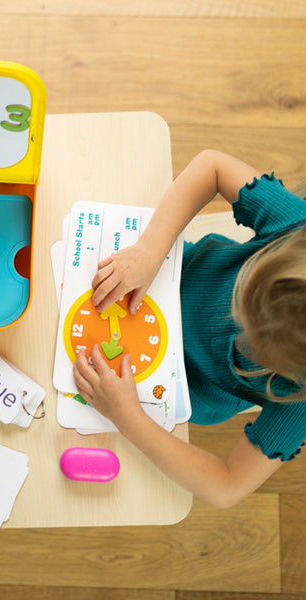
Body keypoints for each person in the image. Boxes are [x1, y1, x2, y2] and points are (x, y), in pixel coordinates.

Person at [73, 149, 306, 509]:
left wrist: (128, 417)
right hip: (159, 276)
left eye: (254, 342)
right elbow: (212, 166)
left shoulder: (300, 403)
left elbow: (226, 486)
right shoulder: (296, 227)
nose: (233, 316)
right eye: (244, 292)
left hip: (175, 390)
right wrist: (150, 249)